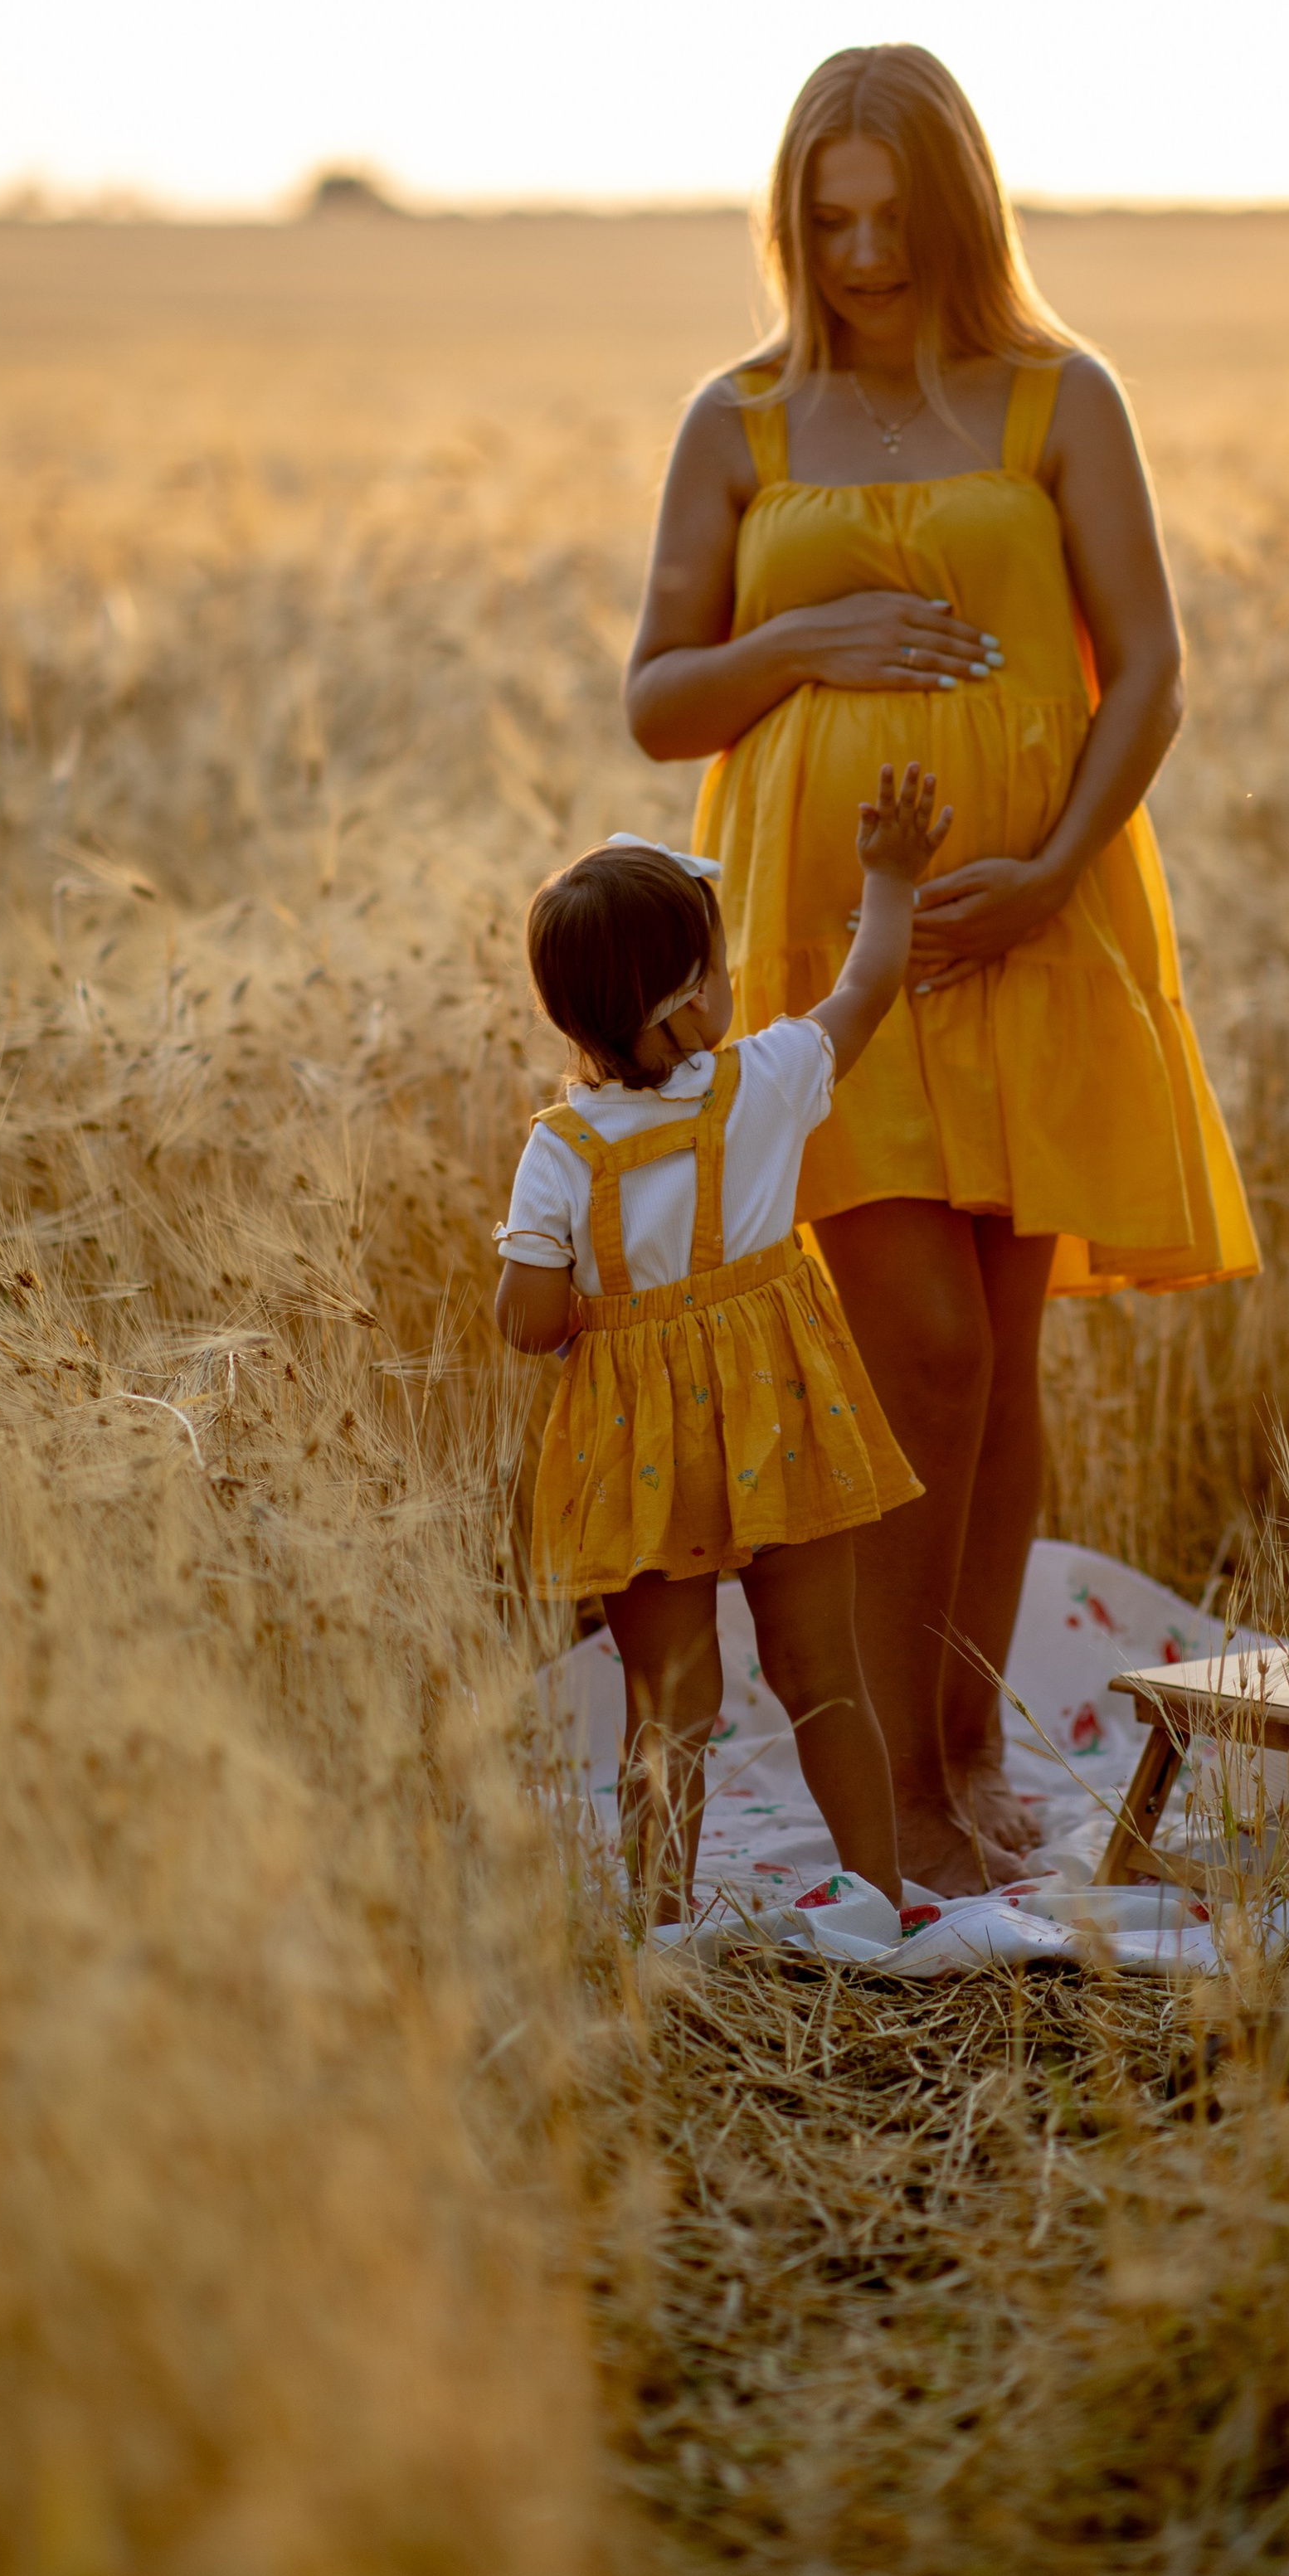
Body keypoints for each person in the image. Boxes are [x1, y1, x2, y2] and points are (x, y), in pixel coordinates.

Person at [624, 44, 1258, 1897]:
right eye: (830, 223)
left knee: (999, 1362)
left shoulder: (1059, 399)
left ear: (958, 210)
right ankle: (888, 1794)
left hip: (1038, 932)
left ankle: (967, 1750)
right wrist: (804, 631)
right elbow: (660, 695)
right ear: (791, 223)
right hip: (833, 958)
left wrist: (1052, 870)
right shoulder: (736, 420)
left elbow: (1144, 665)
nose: (864, 254)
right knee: (912, 1338)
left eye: (895, 218)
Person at [494, 765, 951, 1921]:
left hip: (630, 1443)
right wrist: (888, 876)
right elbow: (870, 983)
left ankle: (661, 1933)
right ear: (686, 1010)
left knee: (667, 1703)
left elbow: (534, 1323)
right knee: (824, 1678)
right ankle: (878, 1901)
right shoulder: (768, 1081)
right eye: (721, 971)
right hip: (776, 1410)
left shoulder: (558, 1150)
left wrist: (554, 1284)